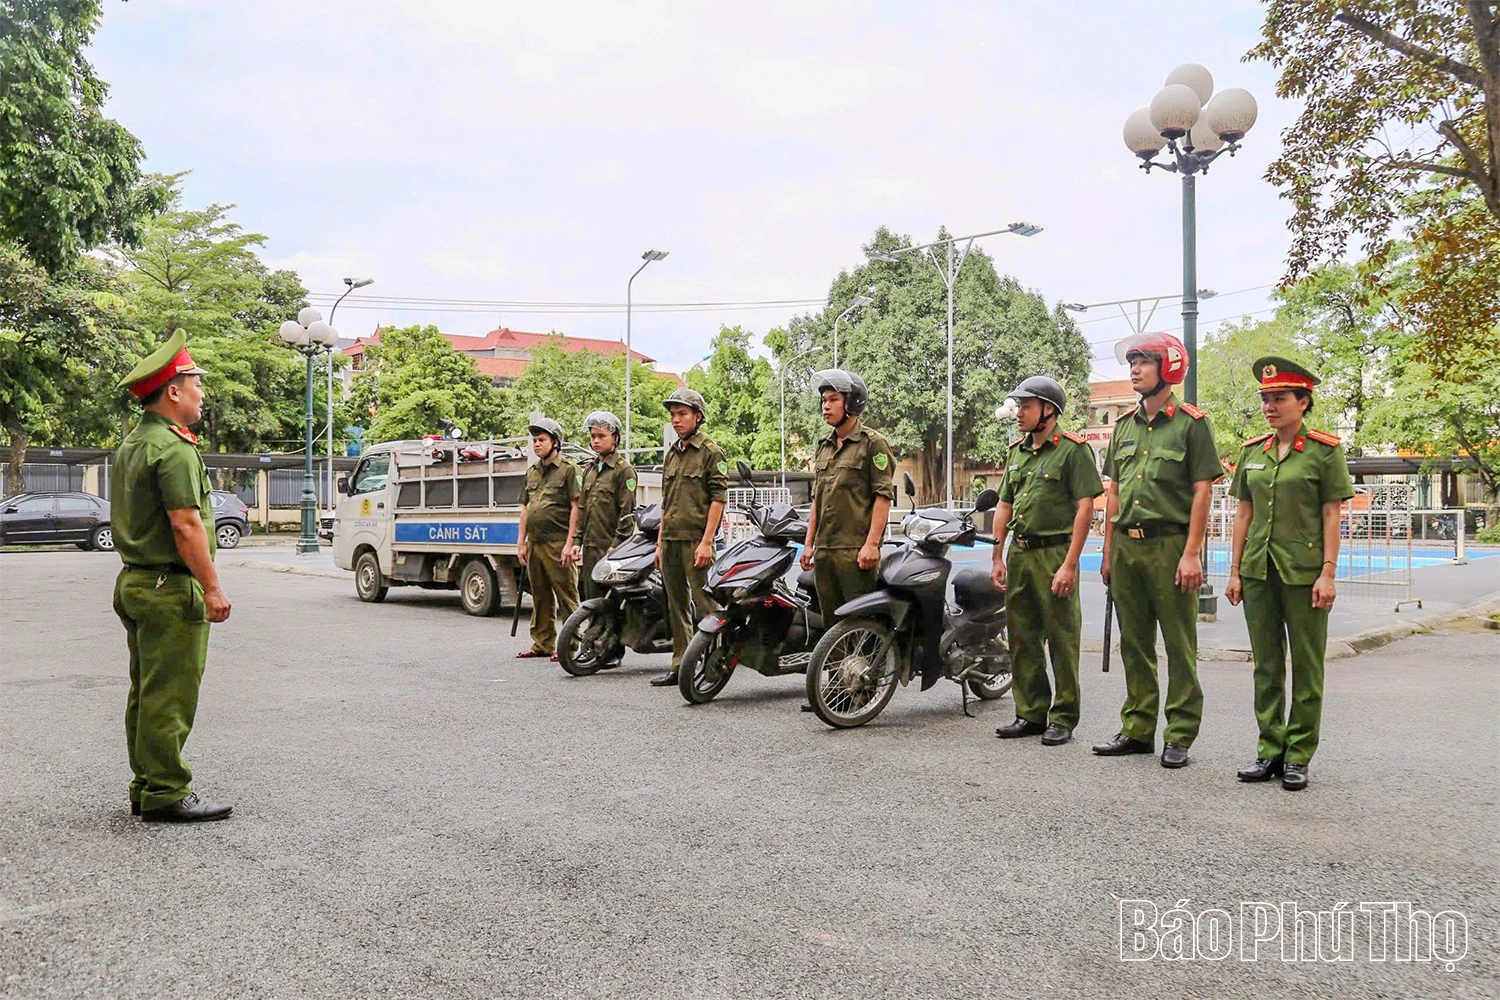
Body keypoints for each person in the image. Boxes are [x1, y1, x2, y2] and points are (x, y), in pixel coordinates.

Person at [111, 329, 233, 823]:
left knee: (145, 690)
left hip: (136, 582)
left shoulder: (134, 444)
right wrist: (213, 587)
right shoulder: (175, 449)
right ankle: (165, 790)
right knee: (170, 693)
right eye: (196, 383)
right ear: (174, 391)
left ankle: (146, 783)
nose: (203, 394)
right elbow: (185, 525)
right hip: (168, 587)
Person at [1092, 332, 1222, 769]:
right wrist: (1108, 550)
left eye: (1144, 361)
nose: (1134, 369)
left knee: (1179, 644)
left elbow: (1202, 492)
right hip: (1127, 546)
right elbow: (1114, 493)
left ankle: (1180, 733)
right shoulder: (1124, 426)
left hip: (1171, 545)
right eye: (1131, 361)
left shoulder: (1191, 423)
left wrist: (1192, 553)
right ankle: (1137, 727)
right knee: (1134, 642)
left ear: (1169, 367)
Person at [1225, 357, 1353, 791]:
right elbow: (1244, 513)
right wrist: (1235, 570)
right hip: (1260, 571)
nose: (1270, 406)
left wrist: (1328, 573)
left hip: (1304, 573)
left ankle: (1298, 754)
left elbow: (1331, 513)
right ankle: (1269, 751)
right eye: (1265, 398)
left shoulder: (1324, 450)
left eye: (1279, 398)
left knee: (1307, 665)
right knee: (1266, 665)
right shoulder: (1252, 453)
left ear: (1303, 401)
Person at [991, 376, 1103, 746]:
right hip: (1020, 553)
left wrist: (1071, 564)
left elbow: (1086, 507)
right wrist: (997, 554)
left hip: (1055, 552)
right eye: (1018, 406)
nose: (1019, 413)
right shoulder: (1017, 451)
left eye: (1026, 406)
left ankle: (1064, 716)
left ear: (1049, 410)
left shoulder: (1073, 451)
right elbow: (1004, 504)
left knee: (1061, 637)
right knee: (1022, 638)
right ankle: (1030, 712)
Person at [800, 369, 895, 622]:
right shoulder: (824, 446)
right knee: (832, 625)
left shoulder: (873, 443)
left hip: (855, 552)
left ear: (851, 402)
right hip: (825, 551)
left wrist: (872, 545)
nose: (826, 406)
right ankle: (839, 665)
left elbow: (883, 497)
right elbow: (817, 501)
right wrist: (809, 545)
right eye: (823, 400)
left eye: (833, 399)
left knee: (860, 623)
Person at [652, 387, 728, 688]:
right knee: (676, 604)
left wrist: (707, 541)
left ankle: (715, 661)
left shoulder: (711, 452)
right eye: (673, 415)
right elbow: (667, 502)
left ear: (698, 416)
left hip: (697, 539)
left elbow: (718, 500)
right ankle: (681, 663)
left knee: (705, 602)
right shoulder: (672, 453)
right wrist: (659, 543)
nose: (676, 420)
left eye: (682, 413)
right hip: (670, 538)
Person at [516, 417, 581, 661]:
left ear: (555, 442)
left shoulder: (569, 470)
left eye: (542, 440)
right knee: (540, 594)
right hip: (535, 544)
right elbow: (525, 509)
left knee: (566, 595)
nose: (536, 444)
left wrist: (570, 543)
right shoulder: (531, 473)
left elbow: (577, 507)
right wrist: (521, 543)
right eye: (534, 440)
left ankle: (570, 644)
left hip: (558, 542)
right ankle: (542, 643)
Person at [568, 410, 637, 605]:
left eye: (601, 436)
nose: (595, 441)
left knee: (612, 602)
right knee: (591, 600)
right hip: (591, 548)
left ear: (615, 437)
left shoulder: (624, 471)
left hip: (611, 548)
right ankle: (594, 635)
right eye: (592, 436)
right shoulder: (589, 470)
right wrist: (577, 542)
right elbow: (582, 509)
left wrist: (616, 545)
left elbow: (627, 513)